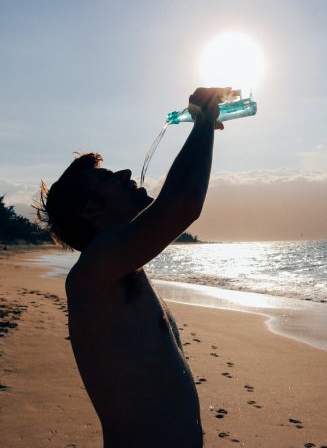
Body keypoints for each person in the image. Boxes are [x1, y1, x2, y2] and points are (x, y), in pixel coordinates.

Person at [37, 88, 225, 447]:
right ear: (90, 209)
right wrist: (202, 121)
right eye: (107, 177)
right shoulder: (94, 272)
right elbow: (182, 204)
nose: (125, 172)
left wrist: (202, 127)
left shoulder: (123, 268)